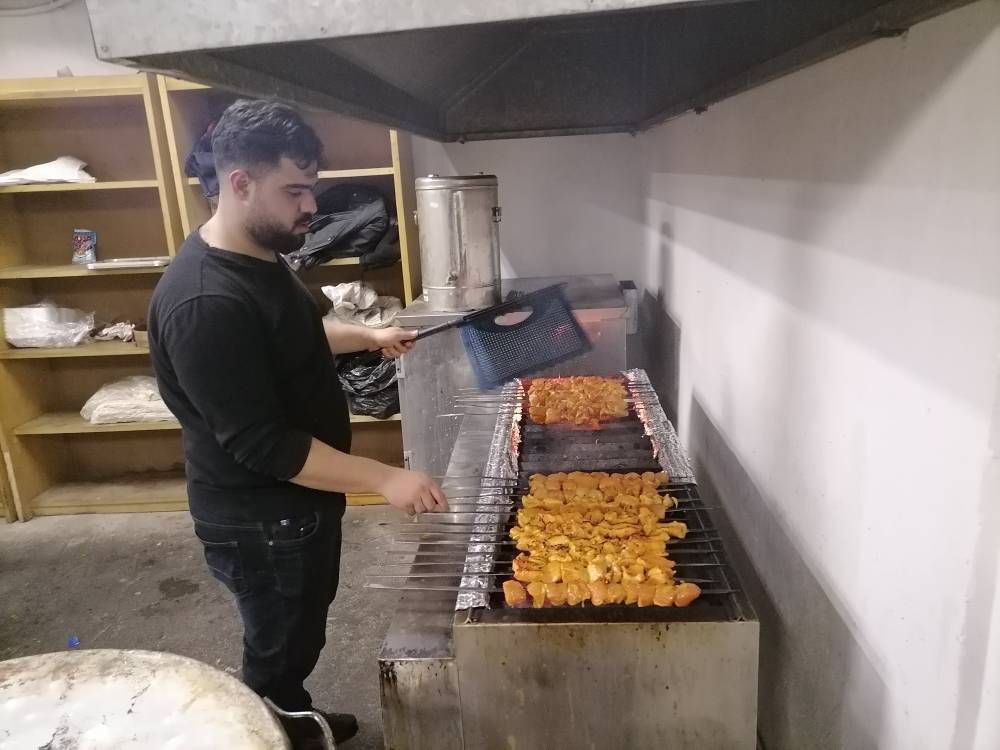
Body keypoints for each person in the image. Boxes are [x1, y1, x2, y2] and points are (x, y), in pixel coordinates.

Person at [148, 99, 448, 747]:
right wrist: (385, 478)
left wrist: (368, 336)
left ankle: (291, 714)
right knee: (278, 642)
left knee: (301, 628)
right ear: (239, 183)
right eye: (295, 191)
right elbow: (266, 445)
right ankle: (270, 728)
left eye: (311, 188)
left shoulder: (259, 253)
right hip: (261, 517)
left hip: (296, 505)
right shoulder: (205, 302)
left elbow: (294, 335)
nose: (311, 206)